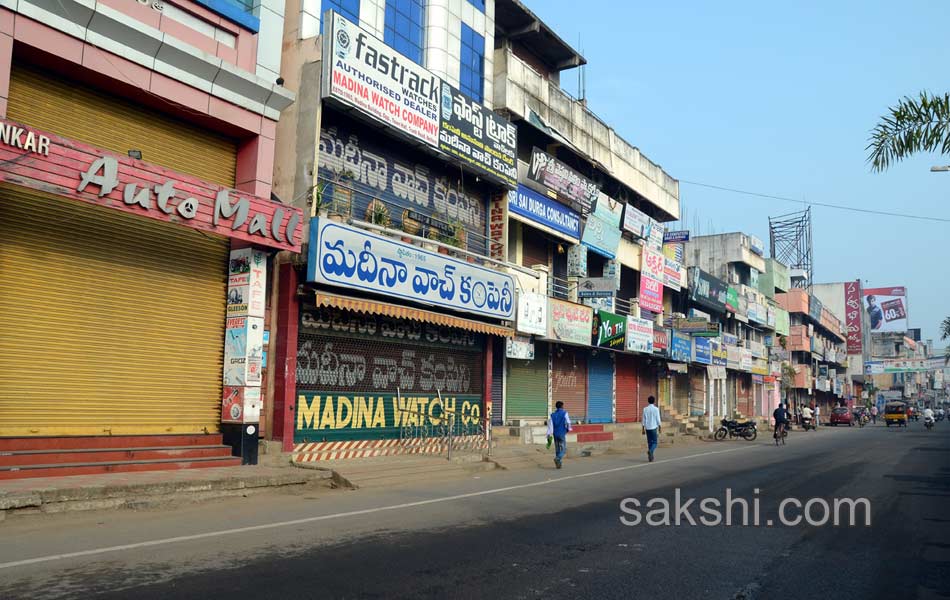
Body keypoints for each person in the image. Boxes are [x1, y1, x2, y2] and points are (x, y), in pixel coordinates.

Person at [546, 401, 572, 469]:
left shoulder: (552, 415)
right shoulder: (564, 413)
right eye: (563, 406)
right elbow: (568, 422)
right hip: (562, 433)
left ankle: (558, 464)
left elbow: (550, 426)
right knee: (563, 449)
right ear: (562, 406)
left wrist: (549, 434)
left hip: (555, 434)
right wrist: (569, 429)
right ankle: (558, 458)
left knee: (557, 449)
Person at [642, 396, 662, 462]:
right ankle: (650, 451)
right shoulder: (656, 409)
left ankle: (651, 457)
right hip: (653, 427)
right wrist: (660, 427)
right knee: (655, 443)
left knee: (650, 442)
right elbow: (658, 419)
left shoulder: (645, 409)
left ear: (648, 401)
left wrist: (643, 428)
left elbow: (643, 419)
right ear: (654, 401)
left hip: (647, 428)